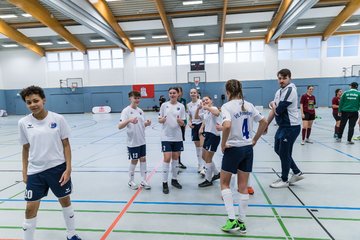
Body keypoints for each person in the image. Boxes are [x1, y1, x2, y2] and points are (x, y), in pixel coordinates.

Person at [18, 86, 81, 240]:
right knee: (29, 208)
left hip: (57, 169)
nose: (33, 104)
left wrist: (68, 168)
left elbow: (66, 144)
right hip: (35, 172)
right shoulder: (23, 123)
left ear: (43, 100)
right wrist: (24, 171)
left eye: (36, 100)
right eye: (28, 102)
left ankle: (71, 234)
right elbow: (25, 148)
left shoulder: (58, 119)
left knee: (65, 201)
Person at [220, 79, 267, 232]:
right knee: (243, 186)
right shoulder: (249, 105)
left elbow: (226, 125)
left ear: (228, 92)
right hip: (248, 149)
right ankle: (241, 221)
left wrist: (223, 143)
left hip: (233, 149)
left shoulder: (226, 106)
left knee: (224, 184)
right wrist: (254, 139)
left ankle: (232, 219)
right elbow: (264, 122)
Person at [265, 69, 305, 188]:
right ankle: (296, 172)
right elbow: (274, 111)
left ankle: (284, 179)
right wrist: (266, 124)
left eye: (284, 78)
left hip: (291, 127)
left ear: (289, 78)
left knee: (284, 152)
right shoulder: (279, 92)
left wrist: (272, 104)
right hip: (283, 126)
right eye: (279, 78)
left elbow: (277, 110)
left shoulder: (290, 90)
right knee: (278, 149)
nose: (281, 80)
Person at [118, 91, 152, 190]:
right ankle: (131, 181)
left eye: (138, 98)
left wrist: (147, 123)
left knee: (143, 159)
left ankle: (143, 180)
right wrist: (129, 120)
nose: (137, 100)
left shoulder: (141, 111)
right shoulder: (126, 111)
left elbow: (142, 125)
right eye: (135, 98)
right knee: (134, 160)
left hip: (142, 140)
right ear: (130, 98)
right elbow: (119, 126)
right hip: (132, 142)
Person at [158, 87, 186, 194]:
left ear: (178, 94)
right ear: (168, 94)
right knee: (167, 157)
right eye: (170, 93)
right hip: (166, 136)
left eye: (174, 93)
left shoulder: (181, 106)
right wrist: (162, 120)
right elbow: (159, 119)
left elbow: (183, 123)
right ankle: (164, 182)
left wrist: (180, 122)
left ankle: (174, 179)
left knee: (175, 158)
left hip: (177, 136)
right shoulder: (164, 105)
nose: (172, 94)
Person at [195, 96, 221, 187]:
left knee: (208, 158)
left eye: (207, 100)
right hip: (208, 135)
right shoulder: (205, 111)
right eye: (203, 100)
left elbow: (217, 113)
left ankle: (208, 179)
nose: (205, 101)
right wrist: (198, 109)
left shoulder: (212, 108)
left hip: (214, 136)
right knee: (204, 156)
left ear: (211, 101)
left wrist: (207, 107)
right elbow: (197, 117)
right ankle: (217, 173)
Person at [187, 88, 206, 176]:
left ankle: (203, 167)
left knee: (202, 146)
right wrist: (189, 123)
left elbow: (205, 116)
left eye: (194, 92)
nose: (193, 94)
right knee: (197, 147)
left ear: (197, 93)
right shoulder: (189, 105)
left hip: (201, 125)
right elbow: (190, 117)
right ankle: (199, 164)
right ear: (190, 94)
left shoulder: (201, 102)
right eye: (191, 93)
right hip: (194, 126)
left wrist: (202, 127)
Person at [177, 86, 187, 169]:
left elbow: (185, 115)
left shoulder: (183, 101)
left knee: (180, 143)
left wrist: (185, 124)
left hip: (181, 125)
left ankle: (179, 161)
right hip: (173, 126)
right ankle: (175, 161)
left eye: (178, 91)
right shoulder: (171, 102)